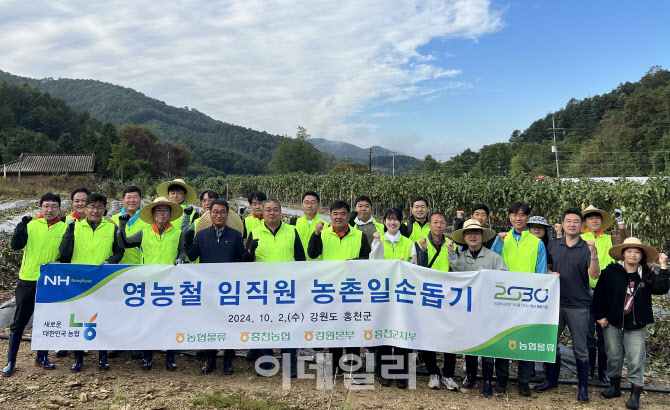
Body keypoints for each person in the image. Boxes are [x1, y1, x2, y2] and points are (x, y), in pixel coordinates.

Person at [594, 238, 669, 409]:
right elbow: (599, 294)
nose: (633, 254)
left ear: (641, 255)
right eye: (629, 251)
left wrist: (663, 265)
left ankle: (635, 394)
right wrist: (600, 315)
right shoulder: (611, 272)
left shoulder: (646, 274)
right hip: (613, 322)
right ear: (623, 254)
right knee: (613, 356)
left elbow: (662, 288)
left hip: (637, 324)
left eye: (637, 251)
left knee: (636, 359)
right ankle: (614, 387)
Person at [534, 208, 600, 403]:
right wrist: (548, 272)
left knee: (580, 347)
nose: (572, 224)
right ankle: (551, 379)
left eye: (576, 221)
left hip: (578, 305)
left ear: (582, 226)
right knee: (550, 343)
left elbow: (594, 275)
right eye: (568, 221)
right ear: (563, 224)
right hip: (554, 304)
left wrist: (594, 254)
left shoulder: (587, 247)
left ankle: (583, 387)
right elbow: (547, 267)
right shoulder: (553, 245)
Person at [118, 197, 187, 371]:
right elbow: (125, 243)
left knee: (170, 321)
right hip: (148, 283)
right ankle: (147, 357)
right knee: (148, 321)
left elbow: (182, 251)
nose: (162, 214)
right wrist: (121, 225)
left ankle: (170, 357)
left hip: (170, 284)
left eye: (165, 210)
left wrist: (180, 259)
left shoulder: (178, 233)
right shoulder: (144, 232)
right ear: (153, 214)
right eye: (159, 211)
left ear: (170, 214)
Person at [2, 193, 66, 376]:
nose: (50, 209)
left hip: (51, 281)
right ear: (40, 208)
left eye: (54, 206)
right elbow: (16, 246)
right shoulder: (30, 225)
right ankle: (10, 362)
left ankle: (42, 357)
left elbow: (67, 254)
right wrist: (19, 231)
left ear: (59, 209)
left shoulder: (65, 228)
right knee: (19, 320)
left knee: (46, 320)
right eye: (46, 206)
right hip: (28, 279)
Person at [59, 193, 124, 372]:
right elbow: (64, 253)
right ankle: (78, 358)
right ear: (85, 208)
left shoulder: (112, 228)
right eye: (92, 207)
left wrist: (110, 261)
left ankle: (102, 358)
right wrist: (68, 231)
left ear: (104, 210)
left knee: (102, 318)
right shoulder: (75, 227)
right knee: (78, 319)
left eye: (99, 207)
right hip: (78, 281)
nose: (95, 211)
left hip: (102, 281)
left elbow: (119, 252)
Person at [308, 200, 371, 378]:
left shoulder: (359, 236)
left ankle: (353, 365)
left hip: (352, 290)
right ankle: (335, 365)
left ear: (349, 215)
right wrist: (316, 233)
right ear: (330, 215)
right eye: (335, 214)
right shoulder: (324, 234)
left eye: (342, 214)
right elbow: (312, 253)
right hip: (331, 289)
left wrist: (355, 262)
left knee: (353, 327)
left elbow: (367, 258)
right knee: (334, 327)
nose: (338, 217)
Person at [185, 198, 248, 375]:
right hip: (208, 287)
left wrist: (249, 252)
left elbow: (241, 259)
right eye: (215, 212)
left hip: (229, 288)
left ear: (227, 215)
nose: (219, 215)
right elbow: (192, 255)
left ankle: (228, 358)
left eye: (222, 212)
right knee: (210, 323)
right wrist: (187, 243)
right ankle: (210, 358)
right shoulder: (202, 235)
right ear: (210, 214)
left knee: (229, 322)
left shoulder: (235, 235)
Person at [491, 201, 547, 397]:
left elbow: (540, 273)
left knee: (525, 341)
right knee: (503, 340)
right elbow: (492, 262)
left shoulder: (536, 243)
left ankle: (524, 381)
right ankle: (502, 380)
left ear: (527, 219)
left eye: (522, 215)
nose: (518, 218)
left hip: (527, 300)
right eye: (514, 214)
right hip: (503, 298)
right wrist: (498, 242)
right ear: (509, 218)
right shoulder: (501, 240)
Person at [246, 199, 305, 377]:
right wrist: (249, 252)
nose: (272, 213)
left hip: (287, 289)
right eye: (268, 210)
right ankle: (265, 364)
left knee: (289, 325)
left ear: (281, 212)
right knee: (264, 326)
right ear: (262, 213)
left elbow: (301, 260)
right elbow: (245, 264)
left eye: (275, 210)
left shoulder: (292, 231)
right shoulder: (254, 232)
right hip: (263, 290)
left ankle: (290, 366)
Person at [447, 219, 507, 395]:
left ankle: (487, 379)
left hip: (488, 309)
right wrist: (451, 253)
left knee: (487, 344)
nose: (472, 236)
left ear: (482, 236)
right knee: (470, 342)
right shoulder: (462, 257)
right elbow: (458, 274)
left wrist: (488, 276)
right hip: (468, 307)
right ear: (464, 237)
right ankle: (471, 375)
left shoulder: (493, 258)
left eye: (476, 232)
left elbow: (504, 278)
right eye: (468, 233)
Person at [573, 205, 630, 382]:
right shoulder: (580, 238)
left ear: (601, 221)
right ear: (585, 223)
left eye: (597, 218)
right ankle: (589, 369)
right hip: (585, 291)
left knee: (605, 333)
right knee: (588, 333)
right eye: (590, 218)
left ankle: (603, 370)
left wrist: (621, 223)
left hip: (607, 293)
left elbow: (626, 243)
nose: (594, 220)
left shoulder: (610, 239)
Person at [412, 212, 459, 391]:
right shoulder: (419, 244)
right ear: (429, 225)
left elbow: (456, 269)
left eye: (442, 223)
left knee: (449, 335)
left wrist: (452, 251)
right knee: (428, 335)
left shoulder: (451, 245)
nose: (439, 226)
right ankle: (433, 371)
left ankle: (448, 374)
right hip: (427, 295)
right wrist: (423, 251)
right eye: (435, 222)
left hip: (448, 296)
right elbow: (417, 270)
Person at [372, 207, 414, 389]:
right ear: (384, 222)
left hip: (402, 296)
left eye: (396, 219)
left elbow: (414, 266)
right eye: (389, 219)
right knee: (384, 335)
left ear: (401, 222)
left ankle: (402, 373)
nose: (392, 222)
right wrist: (376, 244)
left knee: (401, 334)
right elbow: (373, 264)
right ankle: (385, 373)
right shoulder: (378, 240)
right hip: (383, 295)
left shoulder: (408, 243)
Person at [111, 186, 149, 265]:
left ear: (140, 199)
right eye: (128, 197)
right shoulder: (113, 220)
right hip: (117, 267)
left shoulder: (148, 219)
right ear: (123, 200)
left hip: (142, 266)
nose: (131, 200)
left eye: (135, 197)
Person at [291, 191, 330, 261]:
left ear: (318, 205)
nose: (309, 205)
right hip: (299, 264)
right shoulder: (295, 223)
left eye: (313, 202)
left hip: (317, 266)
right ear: (302, 205)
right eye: (306, 202)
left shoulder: (326, 225)